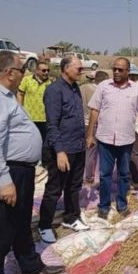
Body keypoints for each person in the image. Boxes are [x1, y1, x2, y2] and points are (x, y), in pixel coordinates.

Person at [0, 51, 64, 274]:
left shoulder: (2, 94)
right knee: (0, 227)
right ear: (10, 73)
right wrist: (3, 179)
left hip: (18, 168)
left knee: (20, 221)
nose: (24, 74)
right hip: (6, 170)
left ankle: (29, 264)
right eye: (22, 70)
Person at [87, 57, 138, 219]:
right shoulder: (104, 86)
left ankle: (122, 205)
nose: (116, 72)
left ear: (128, 72)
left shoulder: (136, 90)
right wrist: (89, 135)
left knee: (124, 174)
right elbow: (94, 110)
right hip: (105, 139)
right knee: (105, 175)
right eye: (114, 69)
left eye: (120, 70)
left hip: (126, 140)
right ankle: (104, 206)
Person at [38, 56, 90, 244]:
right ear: (66, 68)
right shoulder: (54, 90)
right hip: (61, 150)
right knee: (54, 189)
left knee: (74, 186)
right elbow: (52, 125)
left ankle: (71, 218)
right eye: (78, 68)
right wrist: (59, 151)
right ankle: (44, 225)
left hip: (77, 147)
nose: (81, 71)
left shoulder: (75, 88)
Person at [17, 60, 51, 167]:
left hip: (44, 118)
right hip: (29, 118)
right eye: (44, 70)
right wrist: (20, 109)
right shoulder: (27, 80)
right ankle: (29, 161)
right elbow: (20, 94)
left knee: (44, 143)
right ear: (36, 70)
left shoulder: (50, 84)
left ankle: (43, 164)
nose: (46, 73)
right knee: (29, 141)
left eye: (48, 70)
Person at [80, 70, 109, 183]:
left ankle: (79, 174)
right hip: (93, 124)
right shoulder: (101, 91)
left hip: (81, 122)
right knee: (91, 152)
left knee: (82, 150)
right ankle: (89, 177)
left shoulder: (83, 87)